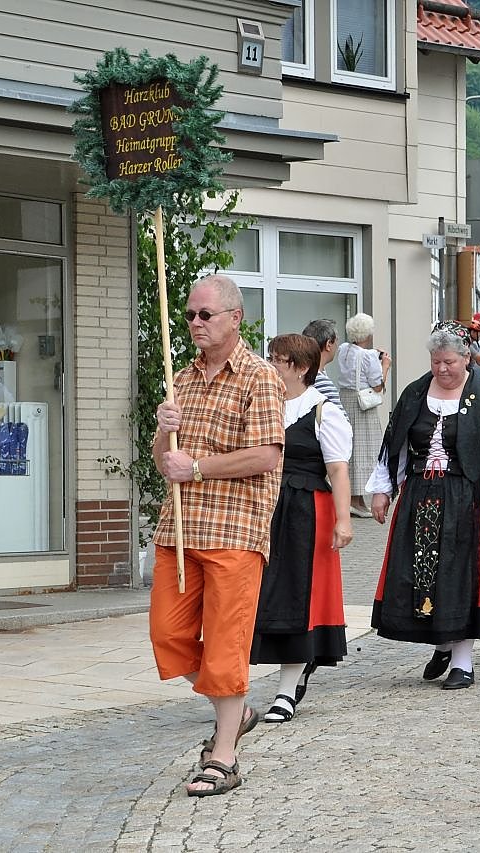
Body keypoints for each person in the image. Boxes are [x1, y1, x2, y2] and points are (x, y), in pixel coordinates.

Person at [150, 274, 285, 797]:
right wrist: (164, 430)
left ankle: (224, 756)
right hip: (180, 529)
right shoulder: (180, 379)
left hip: (235, 528)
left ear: (235, 318)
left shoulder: (259, 377)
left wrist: (197, 468)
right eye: (189, 315)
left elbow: (266, 455)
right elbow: (166, 462)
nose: (195, 323)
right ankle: (237, 709)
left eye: (205, 314)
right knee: (169, 636)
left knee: (227, 646)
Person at [368, 321, 480, 689]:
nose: (442, 369)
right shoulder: (415, 392)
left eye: (449, 362)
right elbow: (395, 443)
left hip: (466, 497)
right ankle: (442, 643)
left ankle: (463, 662)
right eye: (436, 361)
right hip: (420, 495)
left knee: (460, 575)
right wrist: (382, 489)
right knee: (422, 574)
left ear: (466, 358)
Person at [251, 334, 353, 724]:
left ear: (301, 367)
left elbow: (337, 470)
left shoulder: (323, 411)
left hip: (306, 512)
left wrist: (344, 520)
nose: (271, 365)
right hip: (262, 510)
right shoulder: (262, 405)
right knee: (257, 596)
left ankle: (286, 690)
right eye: (271, 357)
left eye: (278, 359)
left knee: (298, 597)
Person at [334, 313, 390, 518]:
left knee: (349, 447)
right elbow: (377, 385)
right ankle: (356, 501)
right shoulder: (368, 356)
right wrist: (385, 366)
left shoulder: (343, 349)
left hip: (345, 399)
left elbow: (356, 360)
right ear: (368, 334)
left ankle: (353, 498)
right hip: (362, 404)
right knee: (364, 448)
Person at [301, 318, 346, 414]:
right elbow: (341, 420)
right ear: (328, 344)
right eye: (336, 341)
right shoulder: (322, 383)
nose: (337, 346)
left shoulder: (300, 375)